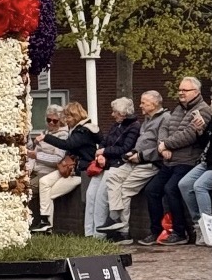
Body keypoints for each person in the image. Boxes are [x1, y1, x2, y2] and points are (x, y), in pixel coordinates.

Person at [137, 77, 211, 247]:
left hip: (187, 160)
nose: (181, 93)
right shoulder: (178, 109)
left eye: (185, 90)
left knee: (171, 188)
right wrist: (162, 146)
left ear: (196, 92)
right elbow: (164, 127)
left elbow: (189, 135)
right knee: (152, 190)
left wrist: (166, 144)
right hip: (169, 160)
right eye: (180, 90)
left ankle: (180, 231)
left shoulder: (204, 110)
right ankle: (156, 231)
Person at [96, 90, 168, 241]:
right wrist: (133, 152)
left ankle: (124, 232)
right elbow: (141, 142)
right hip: (135, 160)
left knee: (125, 189)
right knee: (113, 176)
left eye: (143, 103)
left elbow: (161, 147)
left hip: (149, 163)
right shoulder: (147, 120)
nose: (140, 106)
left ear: (154, 103)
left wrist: (140, 156)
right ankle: (115, 218)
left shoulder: (164, 119)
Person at [29, 102, 100, 235]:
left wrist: (46, 138)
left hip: (79, 172)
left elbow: (67, 145)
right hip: (68, 168)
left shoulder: (83, 131)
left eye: (68, 117)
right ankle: (45, 221)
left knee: (50, 193)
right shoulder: (75, 129)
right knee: (44, 182)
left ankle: (48, 225)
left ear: (75, 116)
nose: (66, 120)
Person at [83, 98, 139, 237]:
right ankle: (89, 232)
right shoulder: (116, 125)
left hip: (117, 164)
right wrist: (101, 154)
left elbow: (125, 148)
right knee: (91, 194)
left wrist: (105, 152)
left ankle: (99, 235)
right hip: (106, 163)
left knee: (101, 196)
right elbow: (104, 141)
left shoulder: (134, 127)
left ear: (122, 113)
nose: (112, 114)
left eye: (115, 112)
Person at [178, 106, 212, 245]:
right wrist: (200, 130)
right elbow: (205, 143)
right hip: (207, 162)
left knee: (200, 186)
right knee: (184, 184)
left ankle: (209, 227)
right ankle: (199, 225)